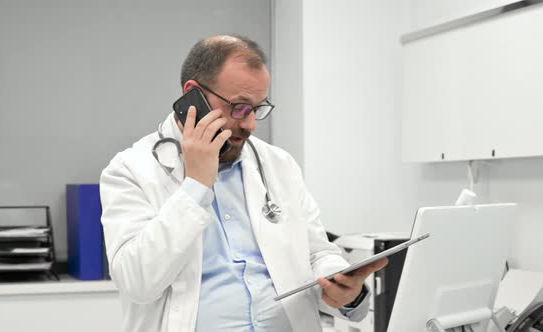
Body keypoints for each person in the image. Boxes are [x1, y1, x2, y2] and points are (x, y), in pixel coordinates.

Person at [99, 35, 388, 332]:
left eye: (258, 108)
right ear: (193, 95)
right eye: (239, 107)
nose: (250, 124)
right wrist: (196, 186)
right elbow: (137, 283)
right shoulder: (130, 169)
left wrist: (340, 285)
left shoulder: (278, 165)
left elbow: (317, 253)